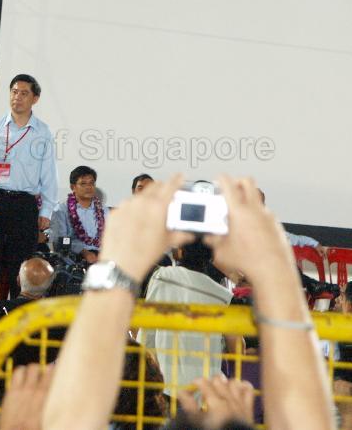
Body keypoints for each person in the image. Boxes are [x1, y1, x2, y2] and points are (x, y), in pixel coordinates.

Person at [42, 175, 335, 430]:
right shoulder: (224, 298)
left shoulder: (160, 278)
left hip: (162, 387)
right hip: (206, 391)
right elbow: (236, 350)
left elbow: (146, 335)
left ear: (178, 251)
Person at [0, 74, 58, 298]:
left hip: (24, 205)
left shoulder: (42, 132)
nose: (17, 97)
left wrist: (46, 210)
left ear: (35, 99)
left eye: (24, 93)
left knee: (21, 265)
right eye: (14, 92)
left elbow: (49, 174)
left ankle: (19, 316)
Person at [140, 240, 233, 395]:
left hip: (164, 382)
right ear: (211, 257)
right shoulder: (221, 297)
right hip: (202, 390)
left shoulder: (162, 277)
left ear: (181, 251)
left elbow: (147, 331)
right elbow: (232, 344)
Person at [50, 165, 110, 264]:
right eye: (83, 184)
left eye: (91, 183)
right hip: (73, 258)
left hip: (102, 258)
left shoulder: (104, 210)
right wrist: (84, 252)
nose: (88, 187)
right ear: (73, 187)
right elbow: (59, 241)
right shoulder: (61, 210)